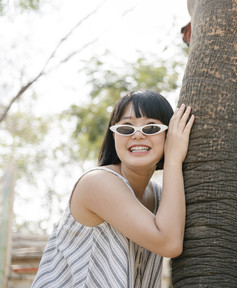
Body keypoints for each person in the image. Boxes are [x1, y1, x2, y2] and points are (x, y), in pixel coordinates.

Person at [32, 90, 195, 288]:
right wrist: (173, 159)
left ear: (169, 136)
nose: (137, 135)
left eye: (151, 128)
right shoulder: (98, 183)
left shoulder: (161, 196)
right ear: (114, 136)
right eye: (125, 128)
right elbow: (169, 244)